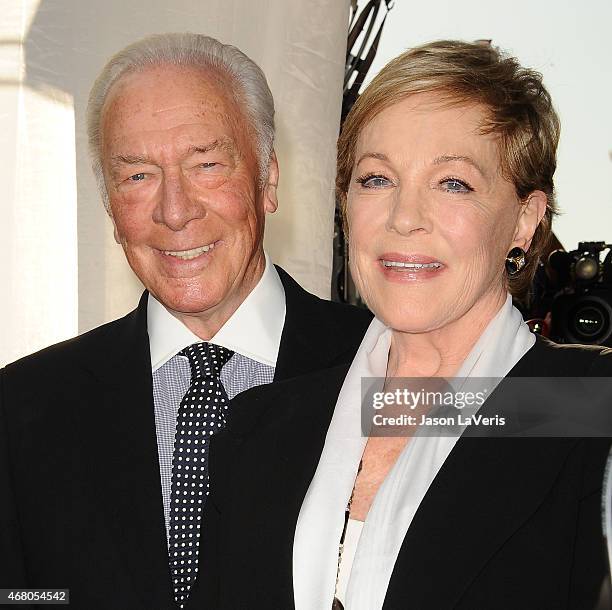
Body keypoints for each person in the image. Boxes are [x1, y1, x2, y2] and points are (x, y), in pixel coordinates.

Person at [199, 41, 612, 609]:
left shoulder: (588, 412)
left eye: (453, 183)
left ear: (524, 219)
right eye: (376, 179)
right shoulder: (259, 429)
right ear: (345, 202)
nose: (404, 218)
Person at [0, 33, 371, 610]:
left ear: (269, 179)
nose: (175, 211)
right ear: (108, 203)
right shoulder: (22, 407)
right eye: (138, 176)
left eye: (207, 164)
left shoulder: (387, 370)